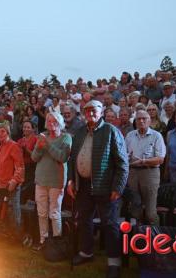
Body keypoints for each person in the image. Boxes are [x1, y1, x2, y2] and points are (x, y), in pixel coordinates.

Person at [67, 100, 129, 278]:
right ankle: (86, 252)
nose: (90, 113)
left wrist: (118, 187)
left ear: (101, 112)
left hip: (106, 186)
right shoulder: (79, 133)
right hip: (83, 185)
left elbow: (122, 162)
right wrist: (71, 180)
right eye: (87, 110)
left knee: (109, 224)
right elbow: (72, 160)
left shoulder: (111, 131)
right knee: (84, 221)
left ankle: (114, 262)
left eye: (94, 110)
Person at [31, 111, 72, 250]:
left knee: (54, 212)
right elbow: (34, 158)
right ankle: (43, 240)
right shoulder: (44, 137)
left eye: (54, 121)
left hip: (56, 180)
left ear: (60, 123)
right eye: (49, 121)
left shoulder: (66, 137)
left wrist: (47, 145)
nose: (51, 124)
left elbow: (62, 157)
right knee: (41, 212)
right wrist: (38, 146)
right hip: (41, 179)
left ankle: (56, 241)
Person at [125, 110, 166, 225]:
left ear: (149, 121)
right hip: (133, 173)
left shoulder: (156, 136)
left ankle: (156, 239)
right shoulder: (130, 135)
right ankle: (137, 239)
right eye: (139, 119)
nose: (141, 121)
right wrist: (129, 160)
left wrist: (143, 161)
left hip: (150, 173)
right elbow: (125, 155)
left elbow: (160, 159)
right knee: (135, 211)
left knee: (150, 213)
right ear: (135, 121)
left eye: (144, 118)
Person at [17, 120, 37, 203]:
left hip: (31, 167)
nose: (26, 129)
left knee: (29, 185)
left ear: (33, 129)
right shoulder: (20, 140)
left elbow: (35, 155)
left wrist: (26, 149)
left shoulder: (36, 139)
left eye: (28, 127)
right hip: (21, 166)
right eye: (24, 127)